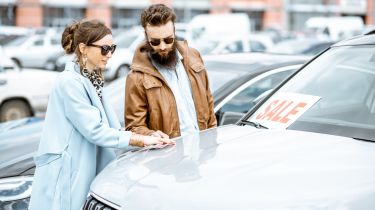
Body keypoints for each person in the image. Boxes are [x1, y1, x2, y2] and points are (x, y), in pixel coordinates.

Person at [29, 19, 173, 210]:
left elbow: (110, 130)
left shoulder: (92, 79)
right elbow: (95, 131)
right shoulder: (69, 82)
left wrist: (148, 136)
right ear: (83, 48)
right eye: (104, 49)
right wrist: (139, 140)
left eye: (112, 47)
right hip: (67, 175)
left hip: (84, 171)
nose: (110, 54)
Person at [125, 4, 217, 138]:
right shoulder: (136, 77)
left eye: (168, 40)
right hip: (170, 155)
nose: (162, 47)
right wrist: (151, 135)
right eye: (155, 42)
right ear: (146, 36)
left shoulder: (194, 57)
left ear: (174, 31)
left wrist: (212, 140)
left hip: (203, 151)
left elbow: (209, 105)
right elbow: (134, 127)